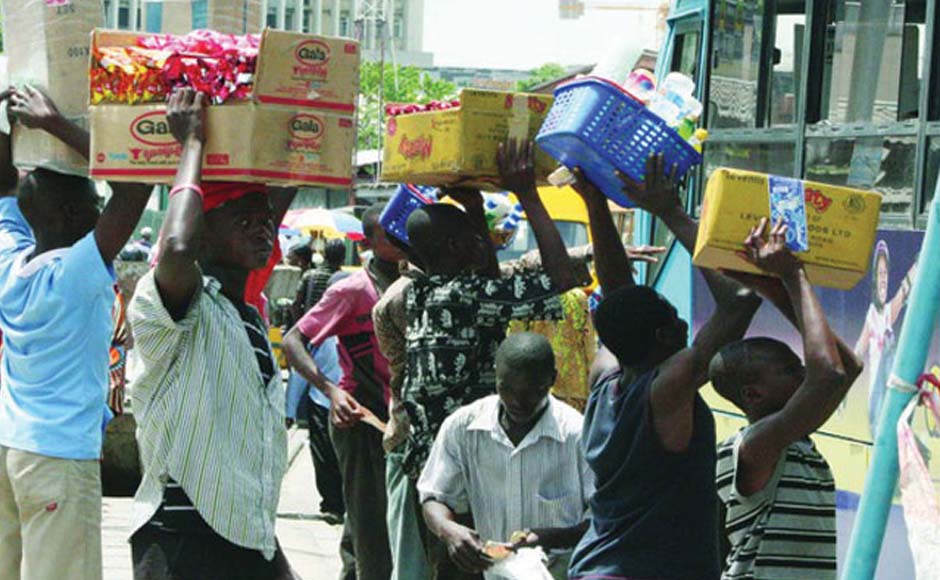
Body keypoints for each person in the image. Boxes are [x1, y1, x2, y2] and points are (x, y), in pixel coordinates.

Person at [373, 138, 588, 580]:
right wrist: (527, 194)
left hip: (438, 479)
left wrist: (473, 211)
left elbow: (485, 283)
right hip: (467, 480)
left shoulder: (420, 294)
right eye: (476, 237)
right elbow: (562, 279)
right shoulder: (467, 297)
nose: (483, 240)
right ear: (456, 248)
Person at [127, 89, 298, 579]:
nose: (262, 228)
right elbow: (178, 246)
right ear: (204, 231)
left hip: (245, 537)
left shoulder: (246, 316)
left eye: (265, 220)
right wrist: (192, 144)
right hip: (180, 543)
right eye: (243, 220)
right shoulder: (179, 302)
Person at [567, 157, 762, 580]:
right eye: (675, 320)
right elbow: (741, 300)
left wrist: (595, 205)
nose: (685, 326)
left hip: (595, 567)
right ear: (661, 338)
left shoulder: (606, 378)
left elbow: (619, 294)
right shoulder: (668, 388)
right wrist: (671, 213)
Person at [0, 85, 152, 580]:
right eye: (93, 201)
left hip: (10, 449)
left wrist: (9, 125)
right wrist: (52, 124)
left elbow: (5, 187)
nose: (99, 211)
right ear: (69, 216)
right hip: (59, 460)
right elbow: (135, 186)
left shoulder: (9, 261)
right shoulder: (77, 271)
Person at [711, 219, 863, 580]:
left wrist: (776, 292)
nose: (803, 375)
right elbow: (829, 373)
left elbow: (847, 367)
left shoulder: (794, 442)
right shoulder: (753, 447)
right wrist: (794, 275)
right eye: (790, 370)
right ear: (753, 394)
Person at [282, 204, 405, 580]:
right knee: (372, 527)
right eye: (391, 235)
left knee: (366, 525)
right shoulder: (352, 290)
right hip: (361, 418)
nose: (402, 239)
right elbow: (293, 341)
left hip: (397, 419)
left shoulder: (414, 281)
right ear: (367, 243)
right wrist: (330, 390)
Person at [419, 332, 593, 580]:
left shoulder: (577, 434)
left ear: (552, 379)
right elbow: (434, 497)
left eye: (533, 390)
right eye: (506, 388)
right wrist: (449, 531)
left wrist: (554, 537)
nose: (518, 401)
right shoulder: (462, 427)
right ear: (496, 376)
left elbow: (603, 518)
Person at [855, 240, 916, 436]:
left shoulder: (888, 312)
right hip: (876, 395)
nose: (883, 280)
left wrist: (918, 265)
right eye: (880, 274)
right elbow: (859, 348)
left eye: (886, 274)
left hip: (888, 393)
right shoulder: (873, 314)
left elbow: (903, 292)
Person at [290, 238, 346, 325]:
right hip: (332, 328)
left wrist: (300, 326)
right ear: (343, 259)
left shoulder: (309, 275)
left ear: (324, 255)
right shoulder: (345, 280)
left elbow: (295, 305)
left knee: (274, 331)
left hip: (309, 326)